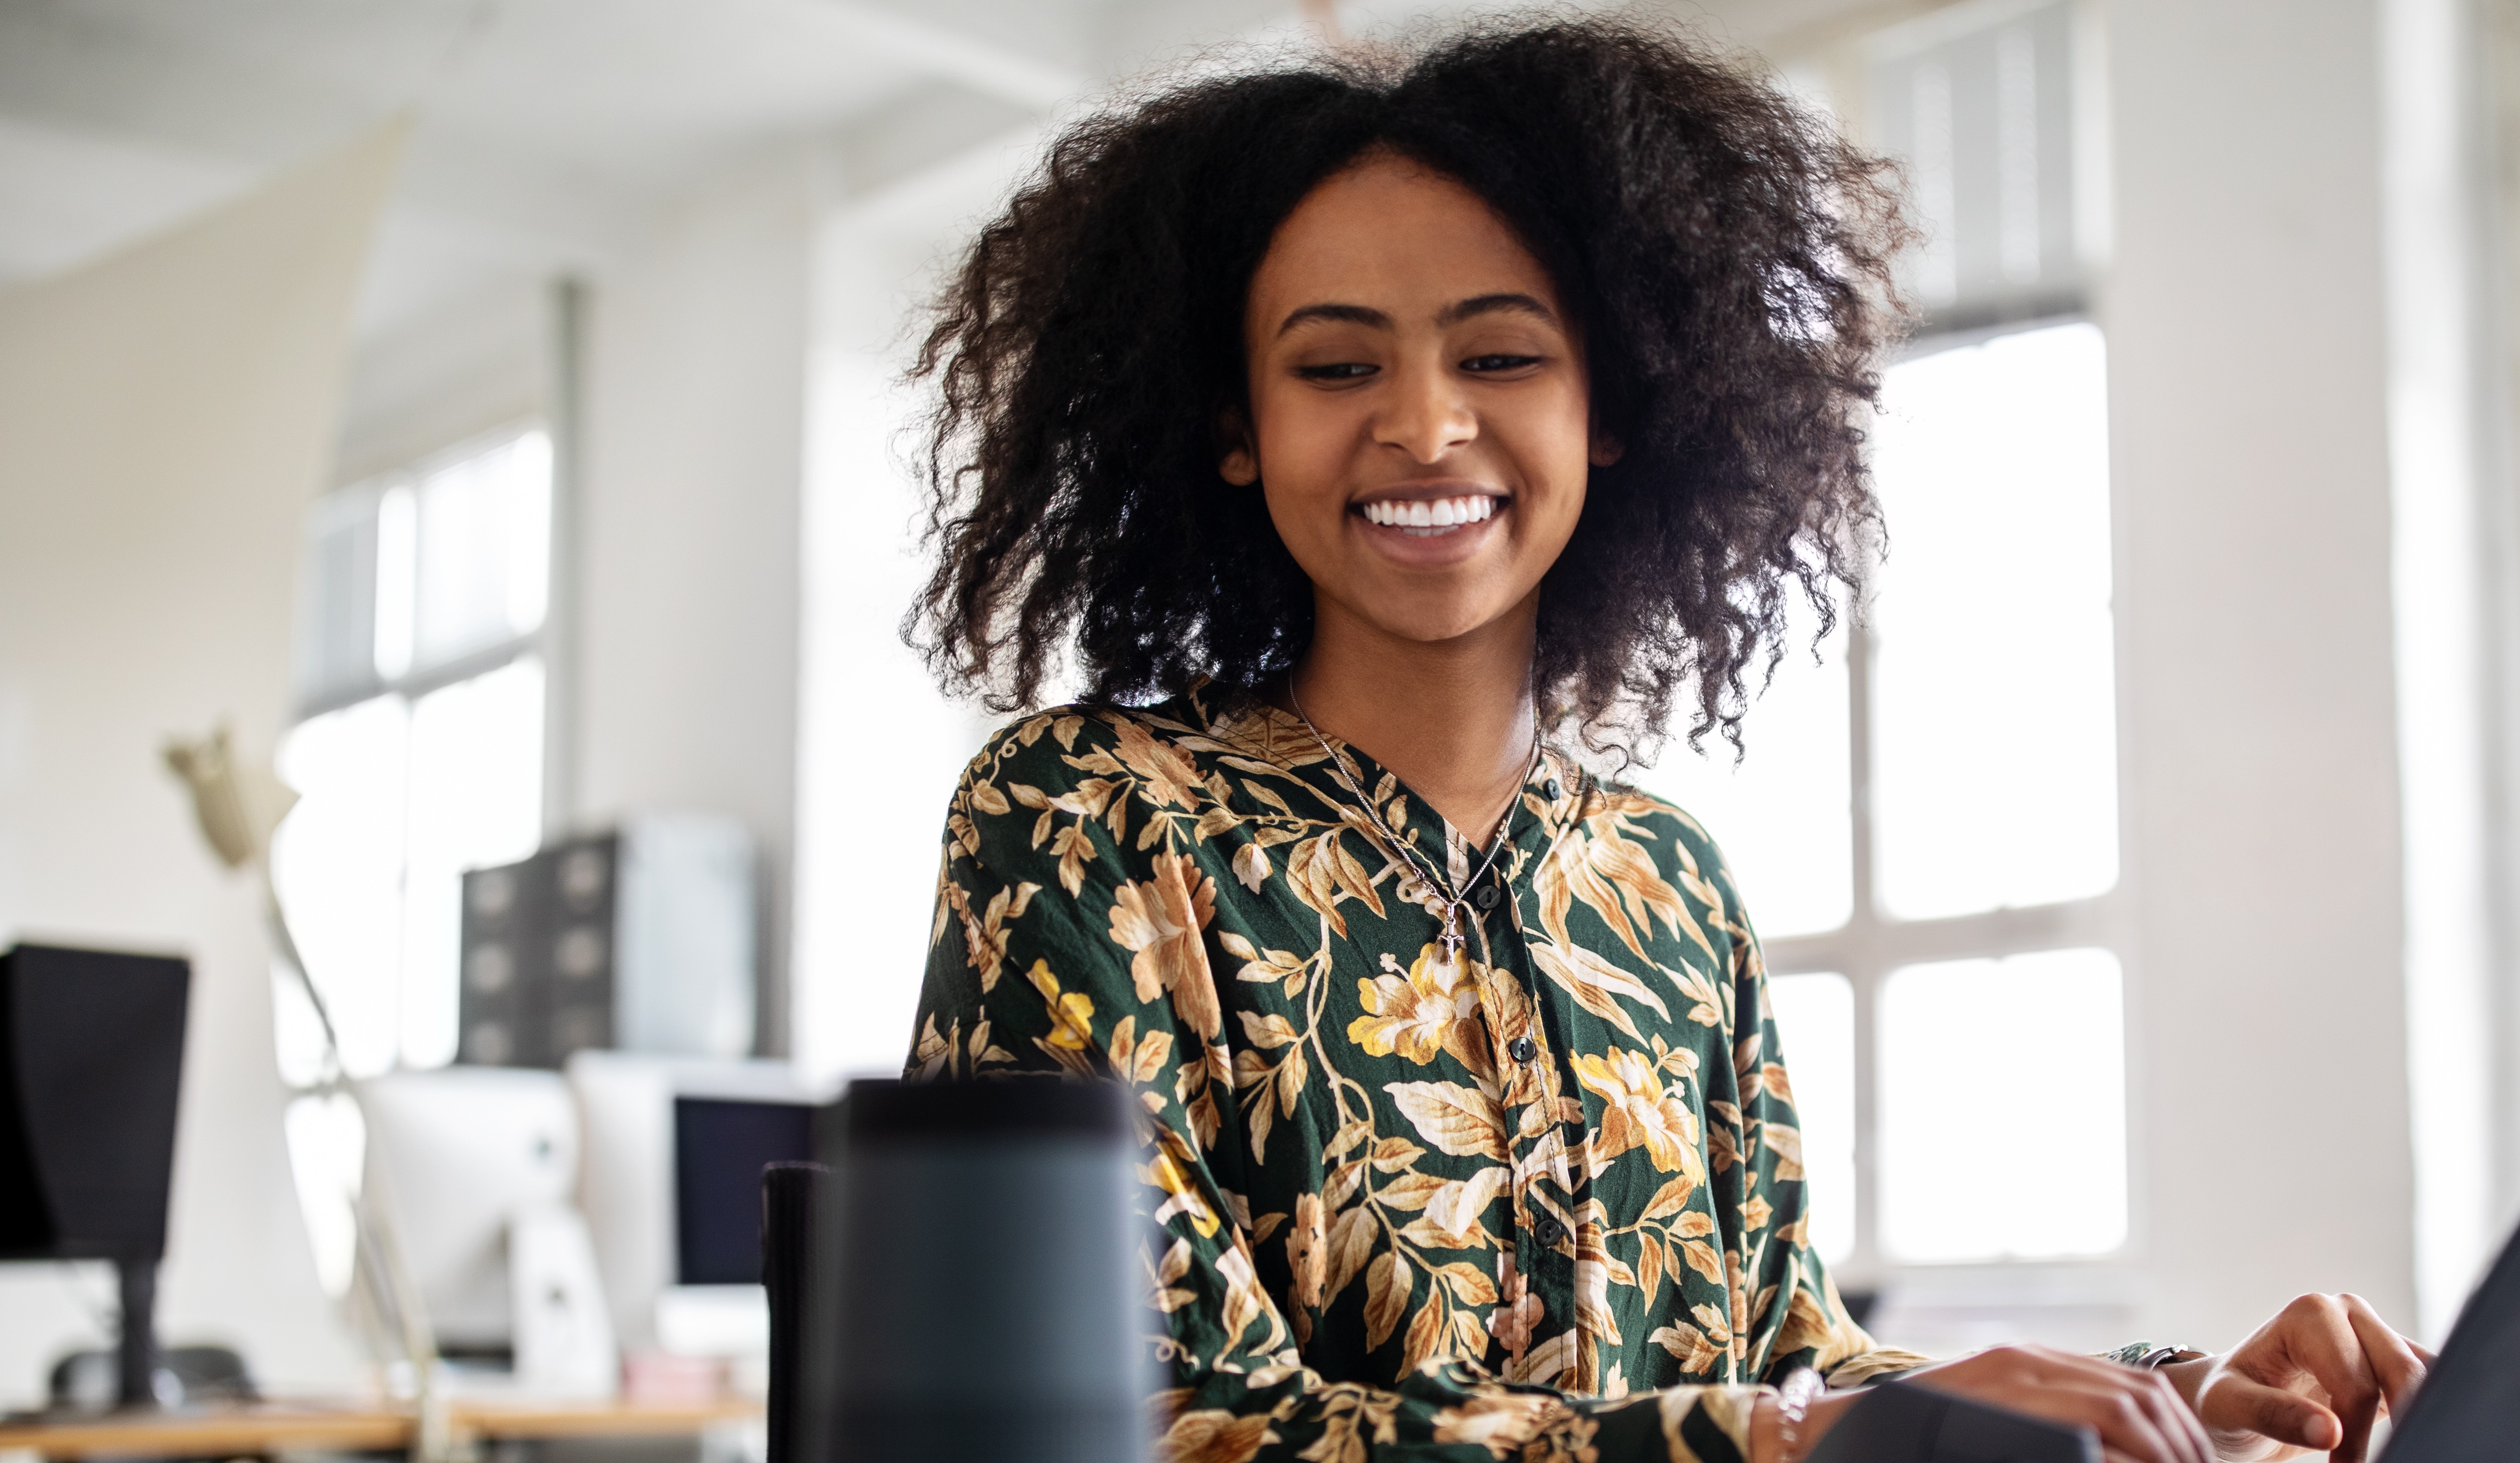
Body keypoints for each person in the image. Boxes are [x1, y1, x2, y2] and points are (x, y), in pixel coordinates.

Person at [900, 17, 2428, 1463]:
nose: (1426, 426)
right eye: (1336, 365)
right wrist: (1776, 1437)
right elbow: (1134, 1422)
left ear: (1611, 410)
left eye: (1499, 356)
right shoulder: (1087, 818)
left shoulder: (1665, 886)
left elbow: (1793, 1357)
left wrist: (2171, 1393)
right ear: (1230, 423)